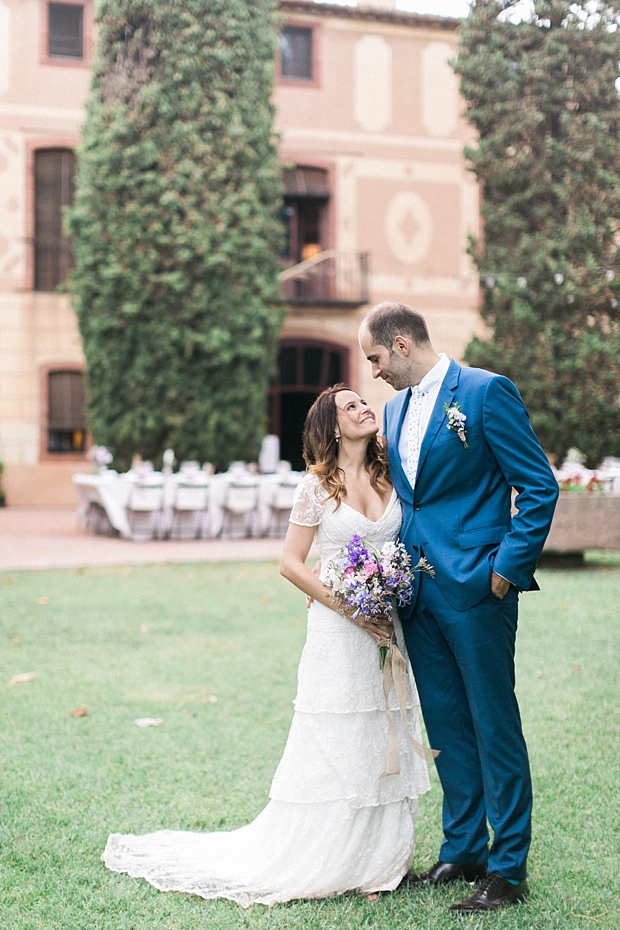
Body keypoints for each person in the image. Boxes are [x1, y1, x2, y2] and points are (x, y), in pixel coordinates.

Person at [102, 385, 430, 906]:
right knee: (340, 733)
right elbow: (290, 563)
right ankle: (328, 855)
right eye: (351, 407)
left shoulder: (393, 478)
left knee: (384, 723)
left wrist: (388, 598)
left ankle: (381, 859)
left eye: (364, 402)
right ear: (332, 425)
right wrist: (353, 609)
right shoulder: (316, 487)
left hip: (390, 624)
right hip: (340, 628)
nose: (365, 408)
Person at [359, 302, 559, 914]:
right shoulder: (393, 411)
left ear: (400, 343)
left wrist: (504, 570)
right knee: (446, 725)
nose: (373, 375)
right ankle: (464, 848)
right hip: (418, 593)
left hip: (478, 589)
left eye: (373, 359)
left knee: (493, 723)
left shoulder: (484, 392)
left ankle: (508, 868)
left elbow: (538, 484)